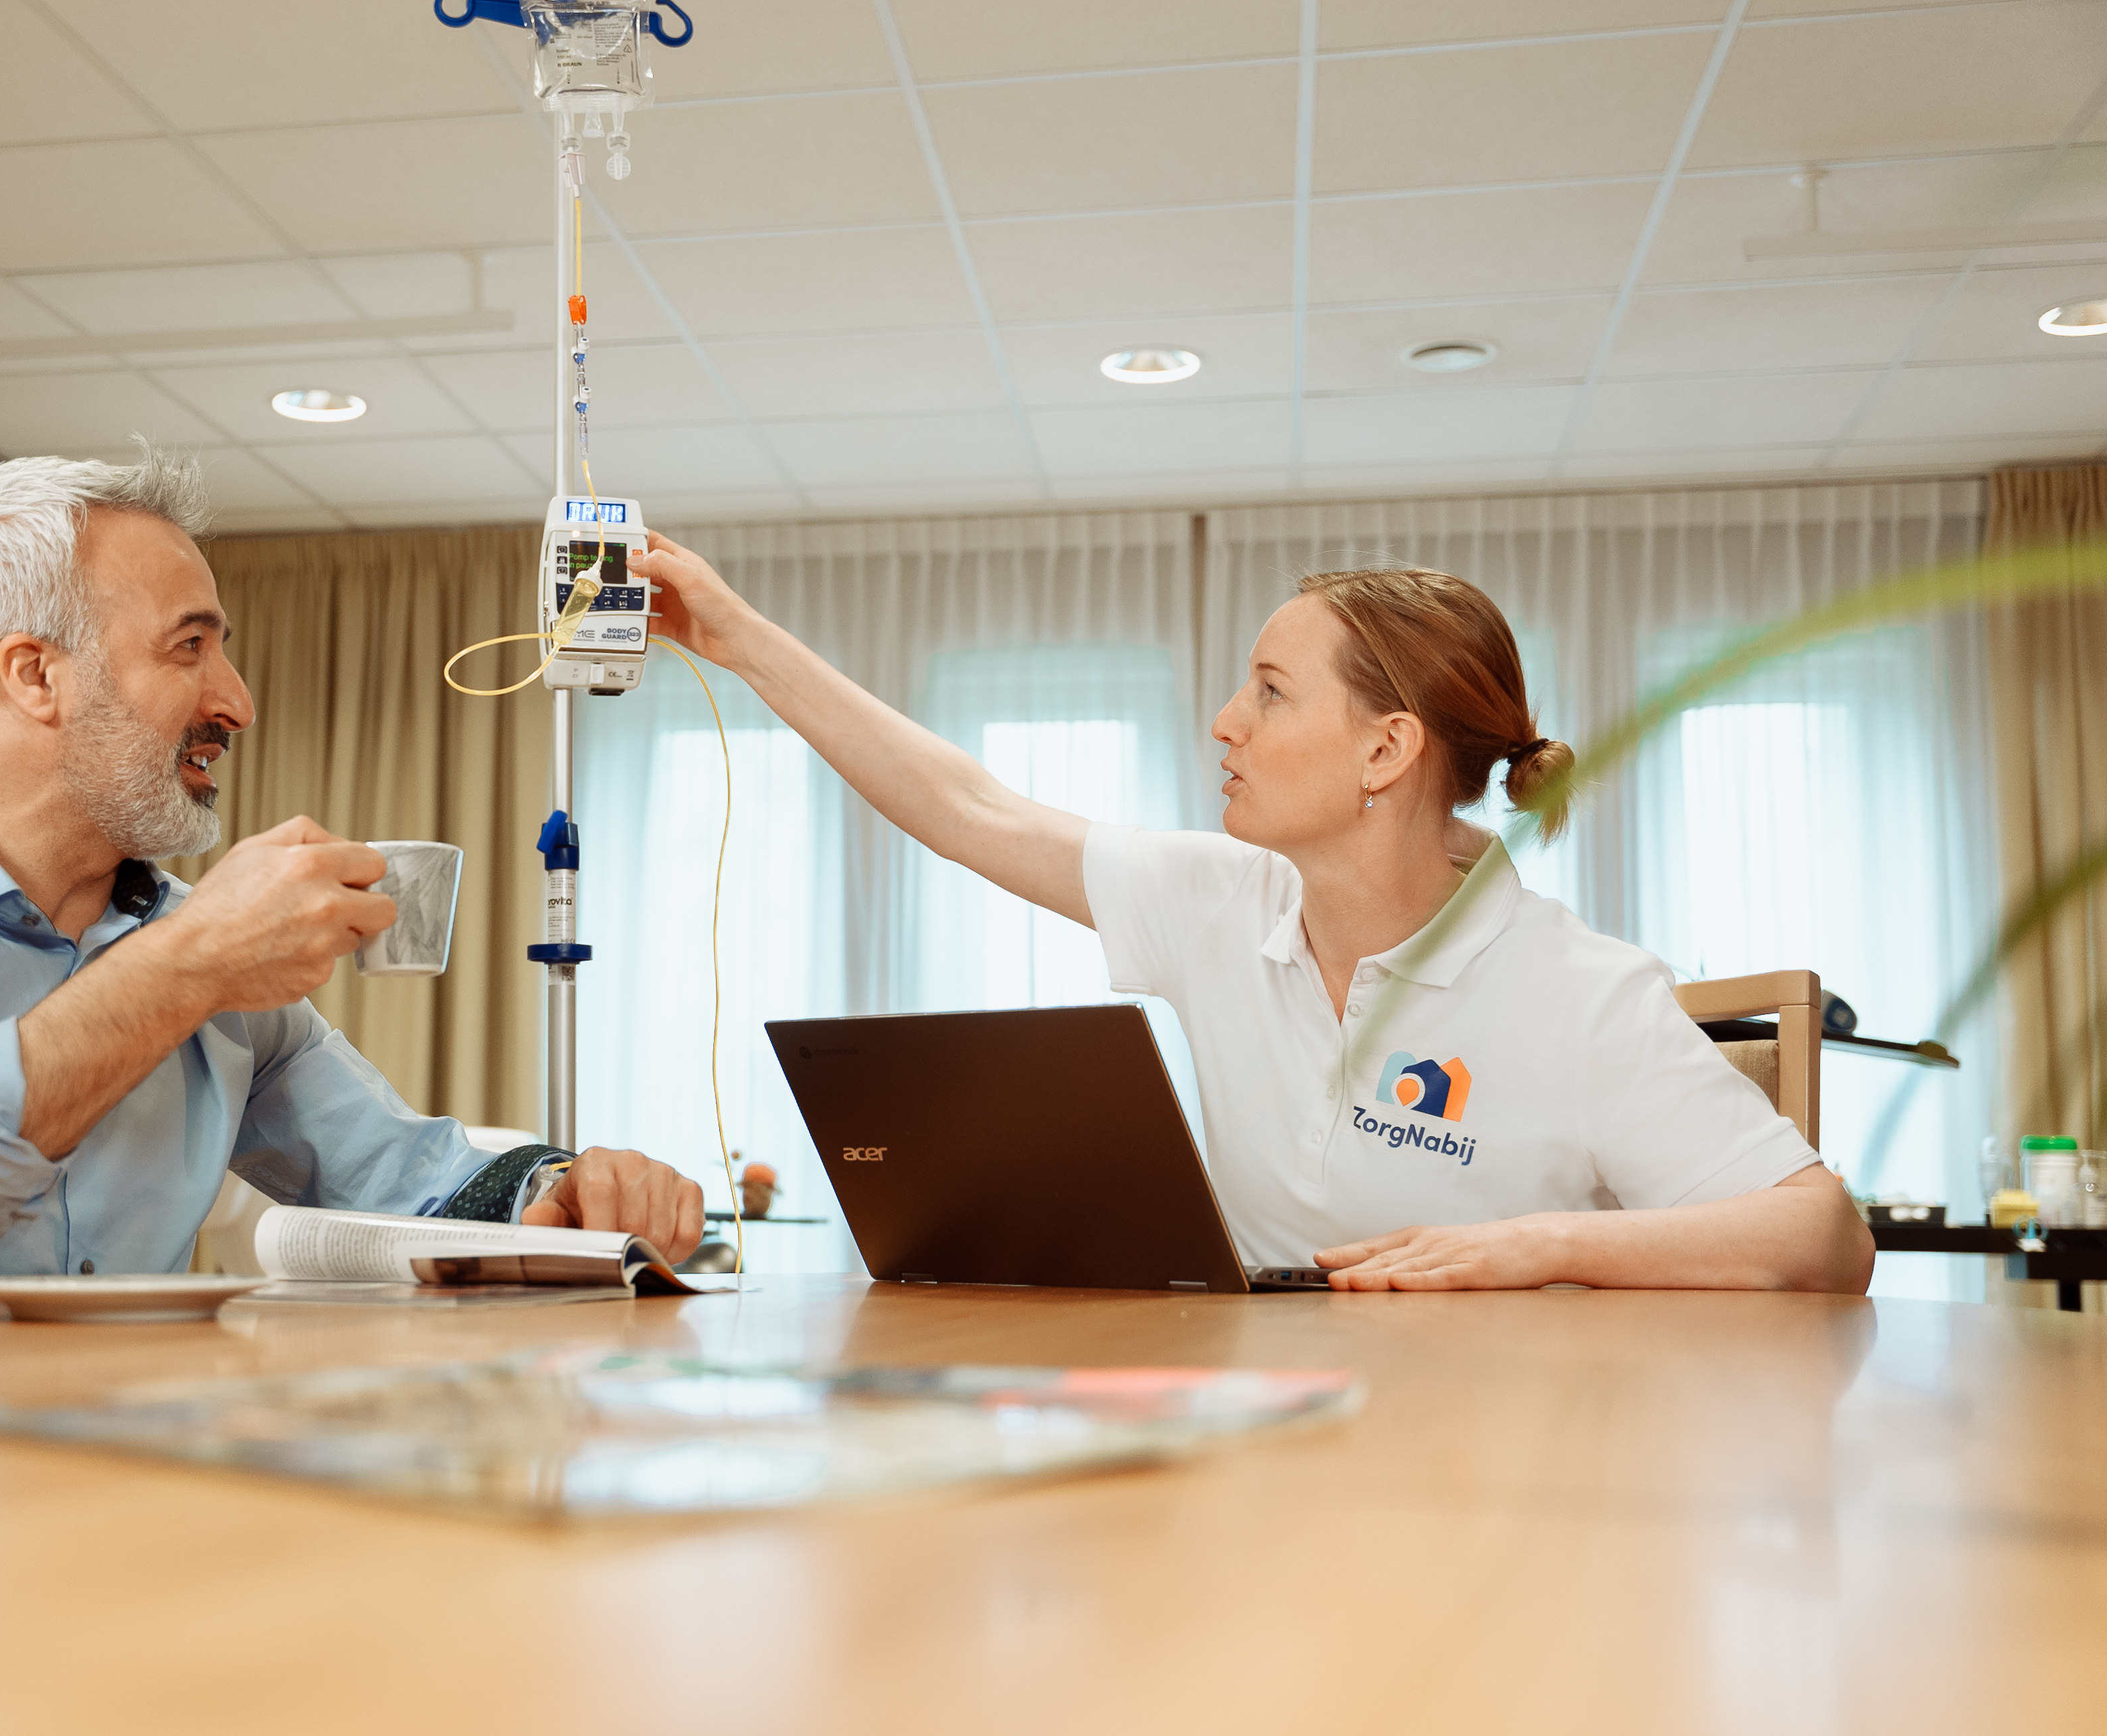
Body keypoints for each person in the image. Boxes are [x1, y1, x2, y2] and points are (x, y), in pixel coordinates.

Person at [633, 533, 1874, 1294]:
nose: (1225, 720)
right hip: (1275, 1421)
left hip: (1504, 1466)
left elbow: (1824, 1238)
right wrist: (734, 637)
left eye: (1270, 694)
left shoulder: (1584, 993)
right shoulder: (1220, 901)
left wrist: (1537, 1245)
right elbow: (971, 808)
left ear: (1384, 750)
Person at [0, 454, 703, 1311]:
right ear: (34, 675)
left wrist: (560, 1193)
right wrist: (184, 969)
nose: (237, 703)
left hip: (105, 1487)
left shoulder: (203, 963)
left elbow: (405, 1176)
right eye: (188, 647)